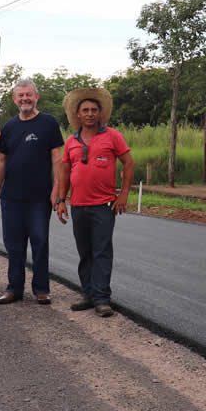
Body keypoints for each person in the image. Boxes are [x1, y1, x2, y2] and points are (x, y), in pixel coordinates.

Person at [55, 88, 134, 318]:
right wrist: (61, 200)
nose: (90, 113)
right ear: (78, 115)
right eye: (85, 110)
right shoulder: (71, 141)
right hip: (78, 205)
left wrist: (124, 194)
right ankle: (88, 295)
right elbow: (65, 170)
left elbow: (128, 164)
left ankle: (102, 299)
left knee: (101, 251)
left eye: (94, 110)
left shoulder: (113, 136)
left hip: (104, 205)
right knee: (85, 252)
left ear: (100, 113)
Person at [0, 78, 64, 305]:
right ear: (14, 99)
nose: (25, 99)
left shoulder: (48, 123)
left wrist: (58, 189)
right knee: (13, 244)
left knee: (40, 240)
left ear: (36, 96)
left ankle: (41, 289)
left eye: (28, 94)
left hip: (40, 196)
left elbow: (57, 158)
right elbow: (1, 160)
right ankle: (14, 288)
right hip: (12, 197)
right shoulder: (10, 126)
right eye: (20, 95)